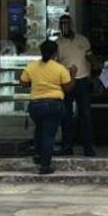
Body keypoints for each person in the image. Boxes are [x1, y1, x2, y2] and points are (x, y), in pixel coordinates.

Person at [20, 39, 72, 175]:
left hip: (35, 105)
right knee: (49, 135)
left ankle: (38, 154)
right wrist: (74, 74)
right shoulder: (60, 68)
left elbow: (23, 83)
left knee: (39, 130)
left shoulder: (31, 66)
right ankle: (45, 165)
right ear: (55, 53)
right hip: (53, 104)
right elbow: (68, 87)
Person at [56, 13, 95, 156]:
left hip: (83, 80)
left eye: (67, 23)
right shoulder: (58, 43)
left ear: (72, 24)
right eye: (62, 24)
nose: (65, 26)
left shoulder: (83, 40)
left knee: (85, 114)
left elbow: (90, 57)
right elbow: (55, 63)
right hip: (66, 82)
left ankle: (88, 147)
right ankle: (67, 146)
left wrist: (97, 66)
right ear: (59, 27)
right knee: (66, 115)